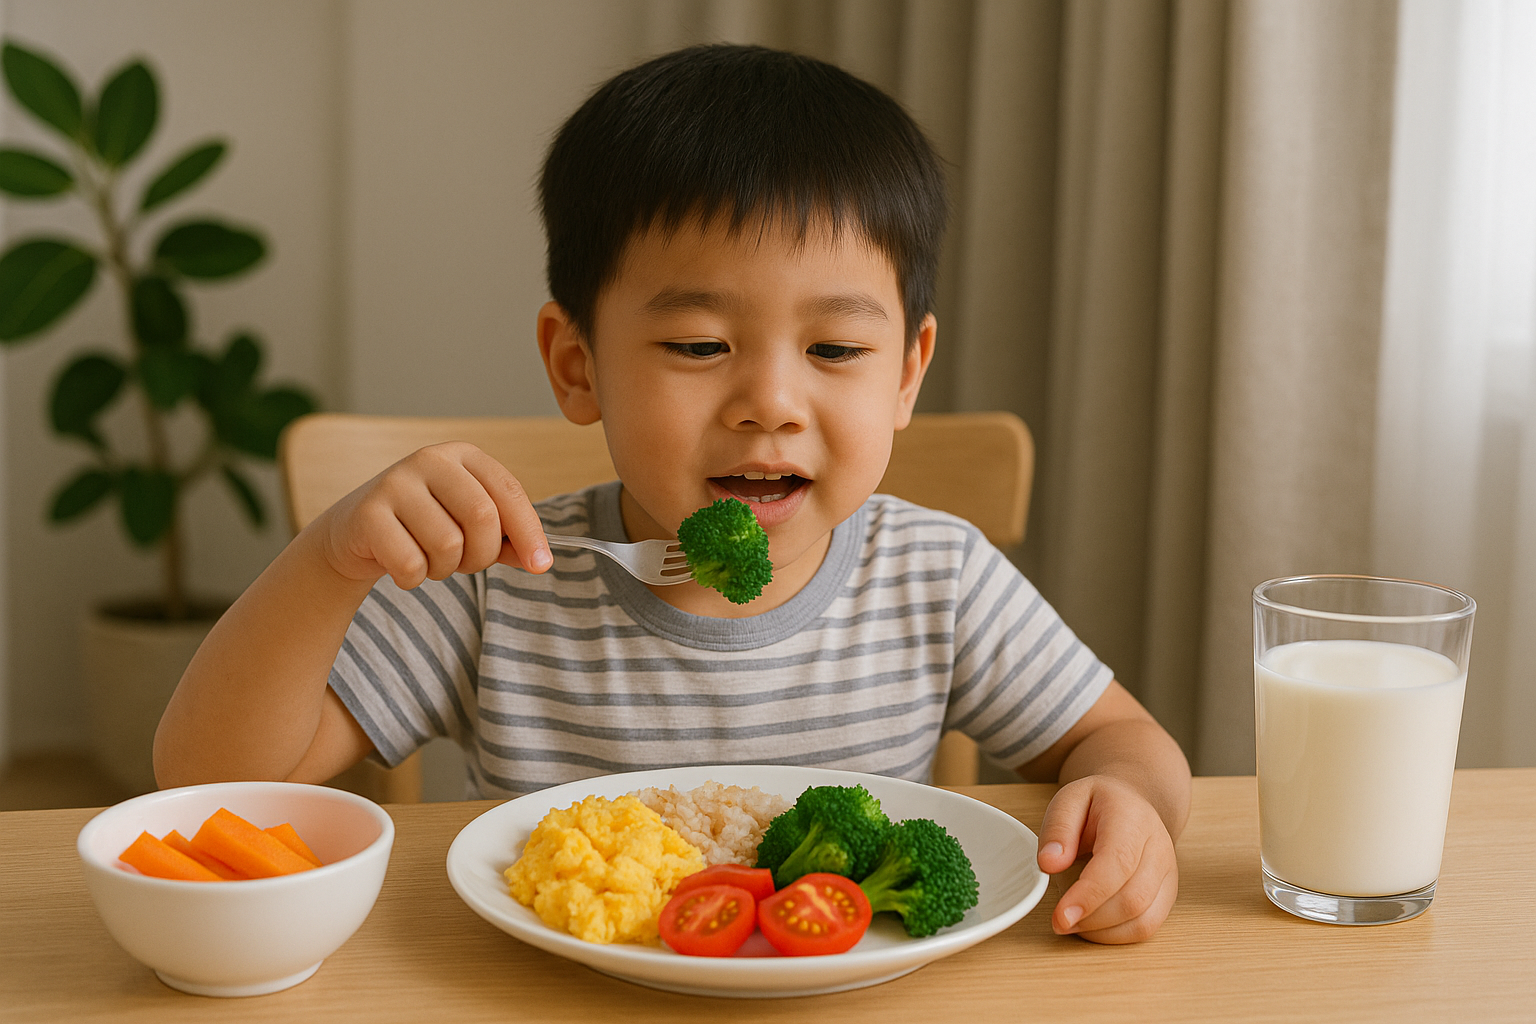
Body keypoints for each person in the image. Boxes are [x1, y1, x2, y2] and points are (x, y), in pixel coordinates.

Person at [155, 44, 1190, 944]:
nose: (771, 402)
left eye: (835, 347)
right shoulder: (500, 587)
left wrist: (1129, 804)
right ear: (577, 365)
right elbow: (208, 783)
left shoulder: (939, 576)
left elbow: (1128, 742)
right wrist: (330, 558)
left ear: (908, 372)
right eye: (699, 344)